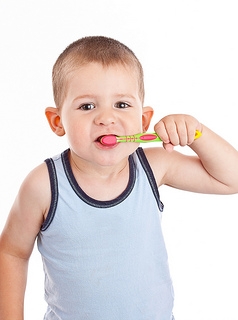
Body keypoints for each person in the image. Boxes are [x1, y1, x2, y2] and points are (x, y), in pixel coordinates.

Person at [0, 36, 238, 320]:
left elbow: (231, 179)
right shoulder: (43, 185)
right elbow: (12, 253)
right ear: (57, 121)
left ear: (144, 120)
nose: (106, 118)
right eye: (87, 106)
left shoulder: (154, 165)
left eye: (122, 105)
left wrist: (197, 133)